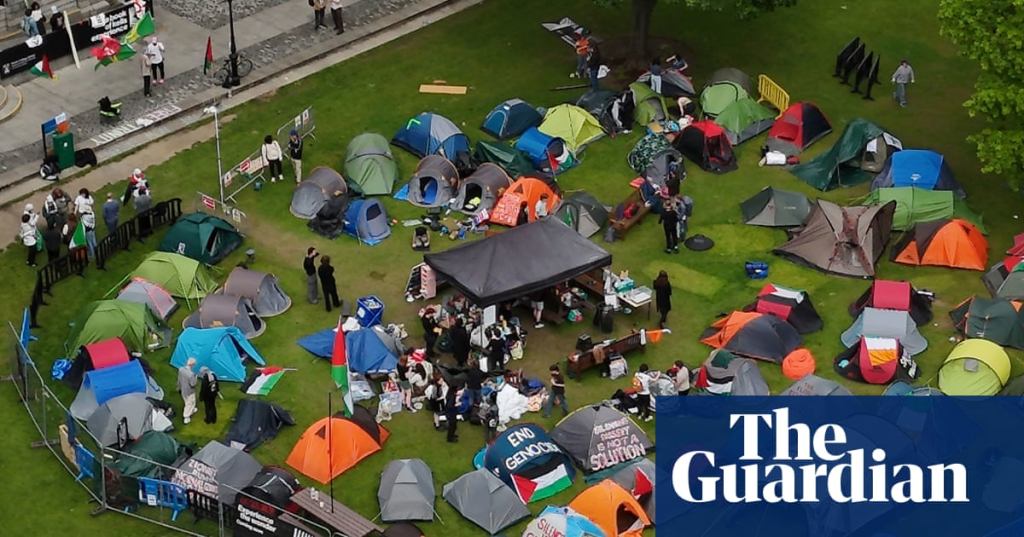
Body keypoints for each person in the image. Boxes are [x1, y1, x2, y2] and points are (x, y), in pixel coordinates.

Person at [177, 358, 198, 424]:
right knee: (189, 403)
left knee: (189, 401)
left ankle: (192, 409)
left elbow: (179, 379)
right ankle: (186, 417)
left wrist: (178, 387)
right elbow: (193, 384)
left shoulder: (181, 369)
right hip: (189, 391)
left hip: (183, 389)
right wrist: (196, 378)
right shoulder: (191, 374)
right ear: (193, 365)